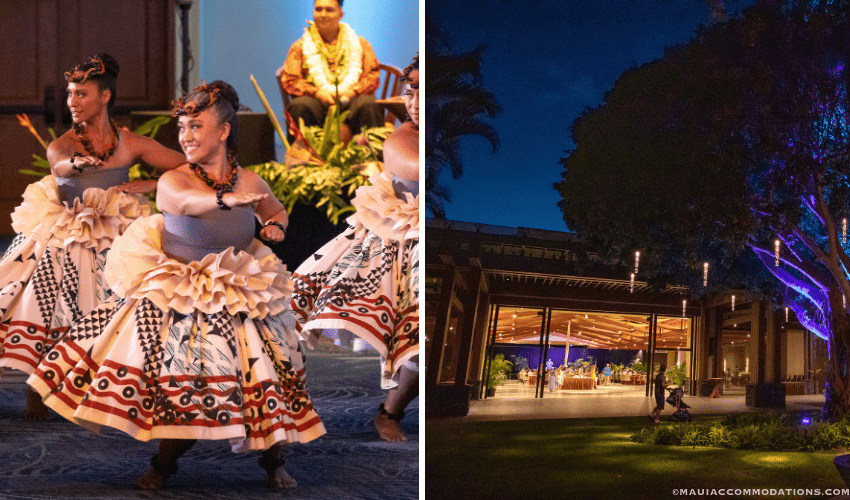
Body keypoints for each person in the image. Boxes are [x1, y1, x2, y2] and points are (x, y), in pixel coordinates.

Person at [27, 81, 325, 489]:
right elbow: (185, 204)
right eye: (182, 128)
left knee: (266, 373)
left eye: (196, 127)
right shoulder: (175, 180)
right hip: (182, 292)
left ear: (222, 132)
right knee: (181, 382)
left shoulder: (250, 179)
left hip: (239, 287)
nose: (186, 136)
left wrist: (274, 223)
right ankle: (163, 464)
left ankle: (274, 459)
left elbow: (272, 205)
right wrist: (224, 202)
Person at [0, 53, 185, 420]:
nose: (72, 102)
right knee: (48, 303)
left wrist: (153, 181)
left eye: (81, 94)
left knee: (114, 306)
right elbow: (60, 163)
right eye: (70, 94)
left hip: (116, 230)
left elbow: (186, 166)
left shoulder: (131, 142)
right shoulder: (65, 143)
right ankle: (39, 384)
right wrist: (76, 165)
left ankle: (102, 386)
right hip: (66, 232)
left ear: (105, 97)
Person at [290, 55, 418, 442]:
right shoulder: (402, 137)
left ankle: (390, 411)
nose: (413, 100)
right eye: (410, 91)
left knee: (416, 339)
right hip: (395, 239)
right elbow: (418, 167)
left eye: (423, 92)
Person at [278, 0, 383, 135]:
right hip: (316, 102)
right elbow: (291, 80)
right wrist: (318, 93)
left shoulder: (360, 44)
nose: (323, 14)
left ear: (340, 14)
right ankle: (304, 156)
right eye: (318, 9)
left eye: (329, 10)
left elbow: (372, 76)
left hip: (351, 101)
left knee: (369, 104)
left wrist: (351, 93)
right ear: (313, 12)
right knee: (299, 106)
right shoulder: (300, 46)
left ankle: (370, 155)